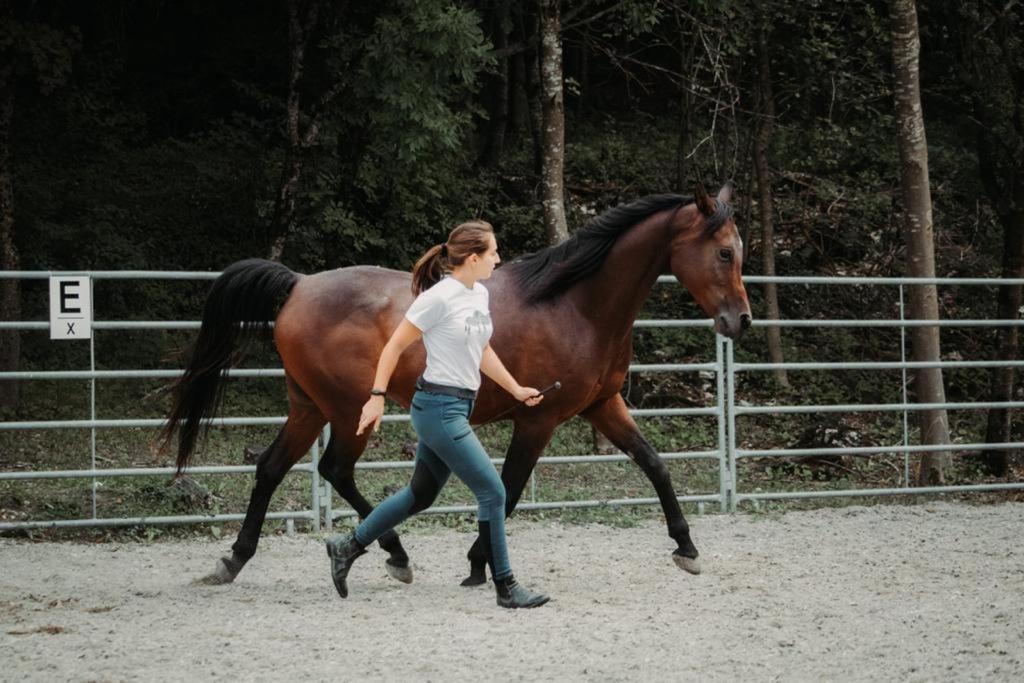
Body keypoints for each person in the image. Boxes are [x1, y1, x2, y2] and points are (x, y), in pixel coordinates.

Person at [325, 220, 550, 609]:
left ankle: (347, 546)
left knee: (420, 495)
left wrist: (515, 388)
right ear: (474, 257)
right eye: (494, 253)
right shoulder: (438, 298)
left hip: (456, 405)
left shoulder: (478, 294)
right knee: (493, 493)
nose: (499, 259)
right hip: (438, 410)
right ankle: (506, 587)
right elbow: (394, 346)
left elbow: (481, 349)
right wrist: (376, 395)